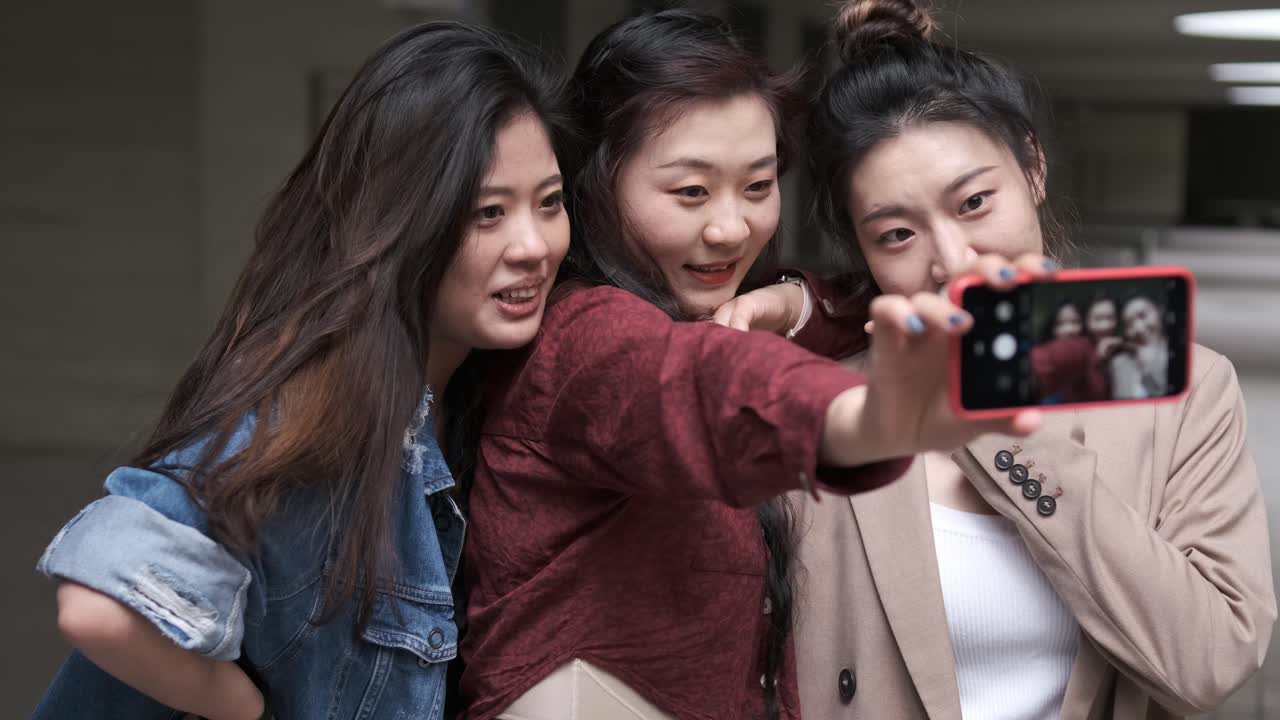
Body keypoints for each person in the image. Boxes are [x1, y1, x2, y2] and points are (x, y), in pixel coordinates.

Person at [454, 10, 1039, 720]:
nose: (731, 228)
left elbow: (879, 301)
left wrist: (791, 305)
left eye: (758, 187)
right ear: (596, 183)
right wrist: (863, 420)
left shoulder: (710, 313)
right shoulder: (584, 337)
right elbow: (695, 388)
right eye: (691, 193)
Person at [719, 1, 1275, 717]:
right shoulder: (835, 409)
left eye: (975, 202)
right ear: (859, 249)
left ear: (1034, 168)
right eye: (895, 235)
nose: (953, 261)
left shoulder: (1187, 390)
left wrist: (1001, 414)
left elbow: (1209, 659)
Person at [33, 21, 575, 720]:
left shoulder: (476, 393)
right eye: (487, 213)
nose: (533, 245)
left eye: (551, 202)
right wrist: (244, 711)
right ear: (400, 221)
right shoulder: (313, 409)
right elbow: (99, 608)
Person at [1110, 293, 1170, 399]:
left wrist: (1147, 365)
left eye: (1142, 315)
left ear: (1159, 311)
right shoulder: (1119, 363)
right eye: (1129, 324)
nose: (1138, 328)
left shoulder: (1177, 354)